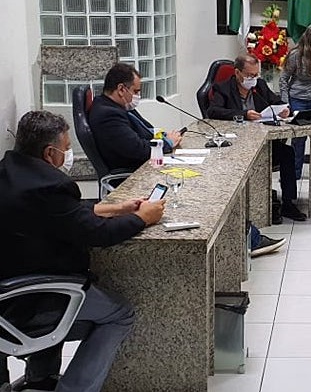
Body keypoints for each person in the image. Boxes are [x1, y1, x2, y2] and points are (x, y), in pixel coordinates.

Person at [0, 110, 164, 392]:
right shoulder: (51, 186)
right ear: (49, 153)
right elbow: (98, 234)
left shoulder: (10, 172)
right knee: (119, 314)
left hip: (8, 292)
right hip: (32, 300)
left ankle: (41, 378)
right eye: (66, 148)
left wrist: (116, 208)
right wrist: (142, 218)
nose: (68, 154)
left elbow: (60, 214)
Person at [207, 54, 307, 228]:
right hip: (236, 147)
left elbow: (275, 101)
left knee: (287, 153)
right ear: (237, 73)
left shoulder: (259, 86)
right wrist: (244, 114)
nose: (253, 79)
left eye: (256, 75)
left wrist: (284, 110)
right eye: (249, 75)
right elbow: (213, 111)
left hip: (263, 142)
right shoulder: (223, 88)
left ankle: (288, 203)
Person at [88, 63, 182, 173]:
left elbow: (147, 130)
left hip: (146, 164)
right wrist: (167, 143)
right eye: (135, 91)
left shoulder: (118, 106)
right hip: (133, 172)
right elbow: (138, 149)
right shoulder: (108, 115)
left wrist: (163, 136)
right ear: (121, 89)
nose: (138, 96)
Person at [279, 23, 311, 180]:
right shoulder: (296, 55)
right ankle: (294, 174)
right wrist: (285, 103)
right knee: (298, 139)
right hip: (298, 100)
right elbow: (283, 79)